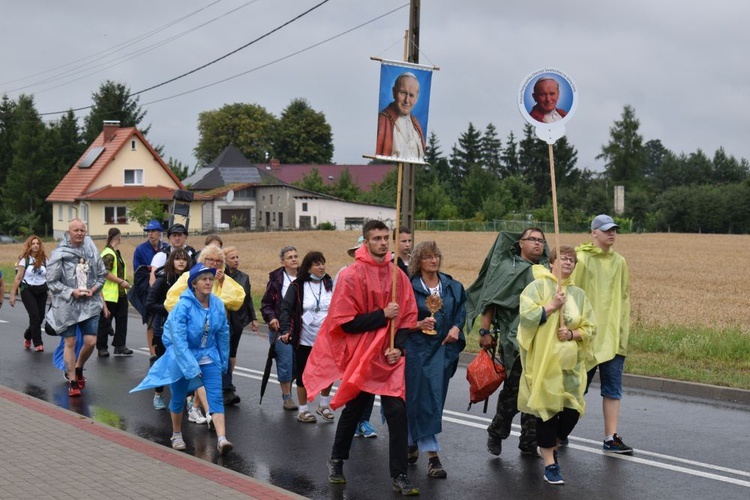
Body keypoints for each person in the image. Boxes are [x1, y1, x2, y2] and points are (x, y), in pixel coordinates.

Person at [303, 220, 420, 495]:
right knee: (354, 410)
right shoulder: (351, 275)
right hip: (363, 356)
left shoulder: (397, 276)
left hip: (390, 358)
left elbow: (407, 317)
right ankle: (336, 459)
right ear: (365, 242)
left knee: (397, 412)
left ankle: (400, 474)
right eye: (376, 238)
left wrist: (399, 348)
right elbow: (344, 322)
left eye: (385, 238)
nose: (382, 243)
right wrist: (382, 315)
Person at [132, 263, 233, 455]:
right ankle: (176, 434)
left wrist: (222, 359)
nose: (208, 282)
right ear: (194, 283)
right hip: (183, 357)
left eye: (211, 279)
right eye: (204, 279)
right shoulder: (183, 306)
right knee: (178, 398)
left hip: (208, 355)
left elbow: (223, 332)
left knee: (216, 396)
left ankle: (222, 439)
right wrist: (190, 366)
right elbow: (178, 340)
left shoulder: (217, 304)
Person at [465, 228, 549, 457]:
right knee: (514, 391)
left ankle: (529, 441)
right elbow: (491, 301)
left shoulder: (547, 271)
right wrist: (484, 330)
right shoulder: (506, 268)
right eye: (532, 239)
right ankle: (497, 431)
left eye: (541, 240)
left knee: (536, 391)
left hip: (541, 341)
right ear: (520, 243)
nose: (537, 244)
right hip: (515, 339)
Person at [517, 246, 596, 485]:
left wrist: (572, 334)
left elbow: (591, 327)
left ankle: (553, 444)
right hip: (545, 362)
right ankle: (550, 463)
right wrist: (551, 306)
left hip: (571, 365)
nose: (569, 263)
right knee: (548, 411)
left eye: (572, 260)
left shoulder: (579, 295)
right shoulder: (537, 287)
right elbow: (526, 317)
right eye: (563, 258)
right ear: (551, 262)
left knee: (572, 411)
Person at [570, 214, 634, 455]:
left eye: (614, 230)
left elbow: (624, 298)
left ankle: (611, 437)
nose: (612, 234)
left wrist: (621, 331)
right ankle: (560, 431)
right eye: (606, 230)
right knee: (576, 387)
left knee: (613, 388)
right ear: (593, 233)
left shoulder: (620, 262)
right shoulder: (582, 259)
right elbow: (572, 293)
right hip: (586, 336)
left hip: (613, 336)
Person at [405, 241, 466, 479]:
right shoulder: (409, 287)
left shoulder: (452, 285)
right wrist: (417, 324)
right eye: (428, 257)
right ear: (418, 261)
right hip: (417, 350)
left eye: (436, 256)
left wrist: (456, 328)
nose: (434, 260)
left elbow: (461, 310)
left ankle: (411, 442)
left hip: (443, 350)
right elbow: (398, 320)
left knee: (434, 400)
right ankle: (432, 456)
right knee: (422, 399)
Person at [45, 219, 107, 397]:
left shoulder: (92, 251)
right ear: (69, 232)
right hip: (67, 305)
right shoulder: (59, 253)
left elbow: (102, 275)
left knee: (90, 342)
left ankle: (79, 367)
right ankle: (72, 380)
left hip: (90, 303)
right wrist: (71, 292)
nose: (79, 233)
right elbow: (52, 282)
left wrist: (94, 289)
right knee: (70, 342)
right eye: (76, 230)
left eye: (82, 230)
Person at [279, 251, 335, 423]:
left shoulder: (329, 283)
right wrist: (286, 330)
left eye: (323, 263)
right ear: (308, 267)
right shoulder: (297, 286)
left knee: (328, 372)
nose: (321, 267)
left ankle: (323, 405)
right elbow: (286, 309)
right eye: (317, 264)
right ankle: (303, 410)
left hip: (327, 339)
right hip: (305, 339)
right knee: (303, 374)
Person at [145, 248, 190, 411]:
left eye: (184, 259)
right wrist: (170, 308)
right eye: (177, 259)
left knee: (185, 361)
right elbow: (150, 304)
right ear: (171, 261)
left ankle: (188, 396)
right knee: (163, 362)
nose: (181, 262)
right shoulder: (163, 280)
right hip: (163, 328)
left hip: (184, 329)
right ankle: (158, 394)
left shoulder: (191, 280)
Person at [260, 245, 300, 411]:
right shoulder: (276, 280)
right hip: (281, 329)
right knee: (285, 362)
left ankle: (289, 386)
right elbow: (266, 304)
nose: (294, 259)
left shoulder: (305, 278)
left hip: (300, 329)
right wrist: (272, 318)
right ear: (283, 262)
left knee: (297, 365)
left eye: (296, 256)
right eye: (290, 257)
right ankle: (287, 397)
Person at [222, 245, 259, 405]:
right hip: (222, 321)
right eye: (232, 258)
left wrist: (253, 318)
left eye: (237, 257)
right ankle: (227, 388)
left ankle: (226, 382)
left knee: (231, 353)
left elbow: (248, 298)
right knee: (224, 353)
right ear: (224, 260)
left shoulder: (244, 277)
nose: (236, 260)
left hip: (238, 320)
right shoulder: (218, 276)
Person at [131, 219, 167, 359]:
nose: (151, 234)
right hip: (148, 289)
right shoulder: (140, 249)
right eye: (149, 231)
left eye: (153, 231)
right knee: (151, 320)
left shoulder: (166, 247)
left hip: (164, 288)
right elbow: (138, 271)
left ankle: (163, 351)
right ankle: (153, 354)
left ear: (159, 233)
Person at [97, 228, 133, 357]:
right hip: (109, 294)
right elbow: (105, 272)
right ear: (118, 237)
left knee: (122, 320)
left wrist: (124, 281)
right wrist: (120, 281)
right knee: (105, 322)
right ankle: (101, 347)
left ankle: (119, 345)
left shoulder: (115, 253)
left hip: (120, 293)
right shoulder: (108, 254)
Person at [9, 235, 49, 352]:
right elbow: (18, 278)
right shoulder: (24, 260)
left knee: (40, 317)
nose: (35, 245)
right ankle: (38, 343)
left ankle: (28, 335)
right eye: (33, 243)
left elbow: (49, 276)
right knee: (35, 315)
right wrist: (12, 295)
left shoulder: (45, 260)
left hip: (42, 290)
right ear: (29, 246)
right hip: (28, 290)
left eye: (37, 243)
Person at [376, 72, 426, 161]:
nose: (407, 100)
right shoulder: (383, 121)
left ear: (416, 99)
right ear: (394, 92)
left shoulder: (416, 125)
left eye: (411, 95)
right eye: (403, 93)